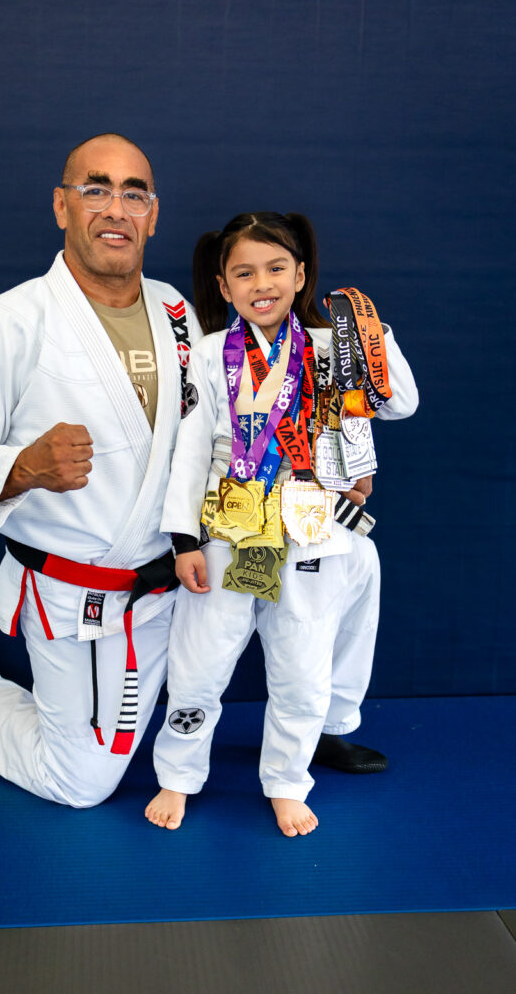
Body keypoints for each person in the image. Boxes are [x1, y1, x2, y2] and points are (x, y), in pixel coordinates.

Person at [0, 133, 201, 808]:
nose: (116, 209)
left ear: (153, 215)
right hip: (79, 597)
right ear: (62, 206)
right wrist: (22, 467)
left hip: (172, 586)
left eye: (134, 195)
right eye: (95, 190)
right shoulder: (5, 323)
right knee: (82, 782)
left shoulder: (177, 312)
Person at [144, 211, 418, 836]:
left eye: (275, 268)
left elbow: (401, 404)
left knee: (302, 663)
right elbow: (190, 448)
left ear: (300, 275)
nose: (261, 283)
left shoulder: (331, 347)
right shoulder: (210, 354)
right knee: (200, 660)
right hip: (229, 524)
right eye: (244, 273)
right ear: (223, 286)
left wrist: (371, 335)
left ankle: (288, 781)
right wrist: (184, 539)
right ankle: (178, 774)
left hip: (309, 520)